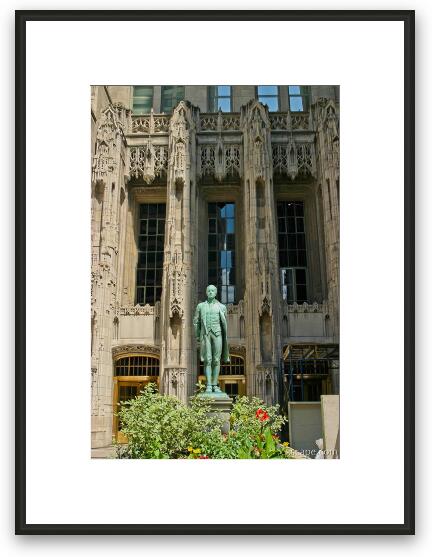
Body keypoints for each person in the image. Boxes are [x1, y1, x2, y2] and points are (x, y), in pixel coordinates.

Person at [193, 285, 230, 394]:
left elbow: (224, 323)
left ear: (216, 292)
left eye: (212, 290)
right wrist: (197, 335)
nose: (210, 292)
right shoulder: (200, 306)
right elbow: (196, 321)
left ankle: (215, 384)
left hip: (217, 334)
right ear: (206, 292)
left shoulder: (222, 307)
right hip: (206, 335)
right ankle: (209, 384)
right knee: (207, 360)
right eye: (208, 290)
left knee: (216, 360)